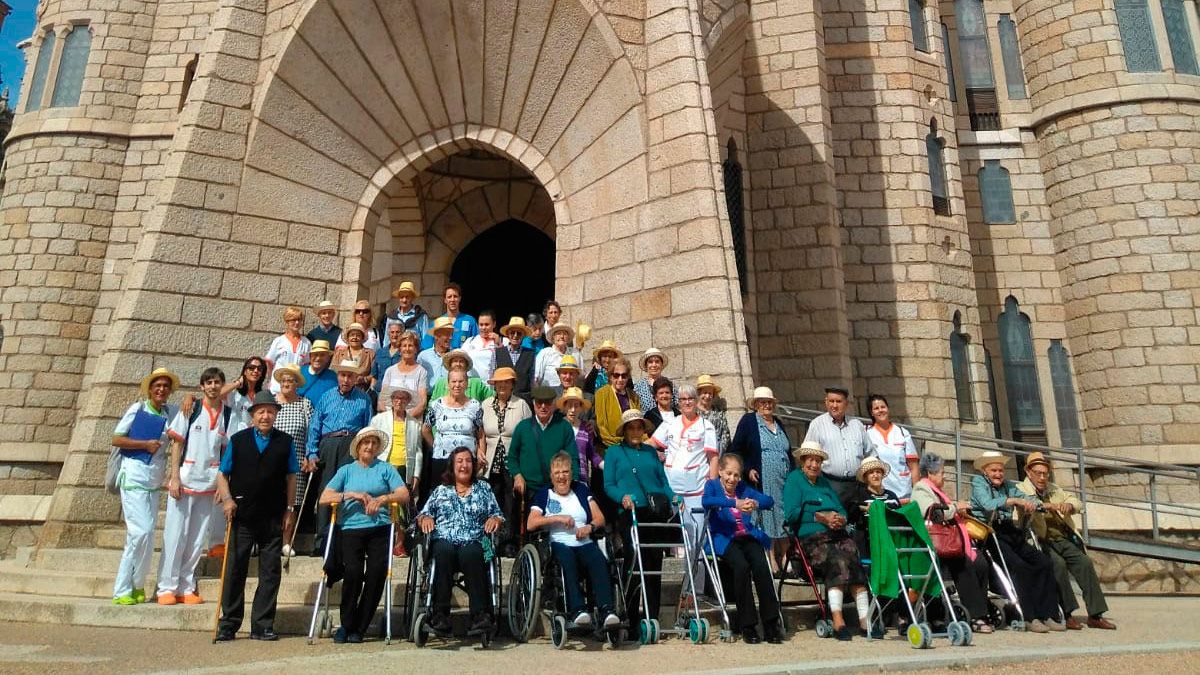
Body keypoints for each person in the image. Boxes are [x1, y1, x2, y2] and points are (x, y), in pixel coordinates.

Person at [214, 391, 299, 642]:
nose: (265, 416)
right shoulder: (238, 440)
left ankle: (262, 625)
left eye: (270, 411)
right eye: (261, 411)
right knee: (235, 569)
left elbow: (292, 476)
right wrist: (227, 499)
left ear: (275, 415)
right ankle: (228, 623)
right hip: (242, 515)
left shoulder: (285, 442)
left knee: (271, 572)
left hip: (273, 516)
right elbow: (222, 474)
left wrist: (290, 509)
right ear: (252, 415)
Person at [318, 427, 410, 643]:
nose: (369, 447)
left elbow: (403, 493)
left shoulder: (386, 469)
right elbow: (324, 497)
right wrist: (351, 495)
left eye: (373, 443)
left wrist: (382, 500)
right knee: (353, 572)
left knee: (377, 572)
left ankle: (360, 626)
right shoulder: (346, 471)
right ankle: (346, 624)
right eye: (365, 443)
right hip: (350, 528)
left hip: (380, 527)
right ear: (358, 447)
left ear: (378, 448)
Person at [157, 367, 231, 605]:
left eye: (217, 382)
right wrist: (174, 477)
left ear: (222, 386)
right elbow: (176, 445)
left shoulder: (227, 415)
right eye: (208, 382)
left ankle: (186, 586)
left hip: (209, 483)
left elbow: (227, 451)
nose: (213, 386)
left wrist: (224, 484)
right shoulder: (191, 409)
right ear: (201, 386)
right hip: (186, 479)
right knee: (175, 534)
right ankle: (166, 587)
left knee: (197, 538)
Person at [1018, 452, 1115, 630]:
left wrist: (1069, 506)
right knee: (1058, 565)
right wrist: (1049, 506)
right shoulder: (1021, 489)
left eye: (1045, 473)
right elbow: (1026, 503)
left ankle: (1096, 614)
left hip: (1060, 537)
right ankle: (1067, 613)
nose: (1042, 477)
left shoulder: (1054, 489)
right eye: (1038, 473)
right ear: (1028, 472)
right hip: (1040, 539)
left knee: (1084, 562)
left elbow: (1076, 502)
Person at [783, 440, 869, 641]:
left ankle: (865, 619)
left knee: (852, 552)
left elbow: (839, 508)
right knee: (837, 559)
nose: (814, 465)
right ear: (803, 461)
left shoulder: (823, 482)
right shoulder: (794, 480)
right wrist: (819, 517)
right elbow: (791, 514)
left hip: (835, 534)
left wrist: (841, 518)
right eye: (810, 460)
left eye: (818, 461)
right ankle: (838, 620)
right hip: (809, 538)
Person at [969, 451, 1064, 634]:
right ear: (985, 471)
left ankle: (1049, 613)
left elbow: (1025, 497)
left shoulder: (1007, 485)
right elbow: (987, 504)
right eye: (994, 470)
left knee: (1043, 562)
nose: (998, 474)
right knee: (1019, 566)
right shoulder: (978, 483)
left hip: (1008, 529)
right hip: (989, 532)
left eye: (1001, 470)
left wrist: (1035, 504)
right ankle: (1029, 616)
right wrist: (1012, 501)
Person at [528, 451, 620, 630]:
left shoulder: (581, 490)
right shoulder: (544, 494)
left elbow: (600, 518)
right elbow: (531, 523)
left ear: (571, 473)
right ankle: (578, 610)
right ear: (551, 476)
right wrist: (557, 518)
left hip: (583, 540)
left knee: (598, 560)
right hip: (558, 542)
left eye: (565, 472)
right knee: (567, 560)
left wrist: (589, 527)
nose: (562, 477)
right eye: (557, 473)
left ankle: (607, 610)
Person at [416, 447, 504, 635]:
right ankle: (440, 615)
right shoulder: (441, 490)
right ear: (452, 466)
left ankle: (480, 615)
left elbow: (497, 514)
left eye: (468, 461)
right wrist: (426, 518)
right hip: (444, 538)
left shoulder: (484, 488)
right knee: (443, 553)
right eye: (460, 461)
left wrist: (494, 519)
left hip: (473, 538)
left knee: (472, 553)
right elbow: (423, 514)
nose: (464, 465)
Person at [111, 368, 180, 606]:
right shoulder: (137, 409)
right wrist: (144, 443)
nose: (161, 390)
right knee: (139, 533)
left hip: (152, 481)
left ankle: (137, 585)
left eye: (165, 386)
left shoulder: (170, 413)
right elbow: (117, 438)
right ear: (150, 389)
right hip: (133, 477)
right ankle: (121, 589)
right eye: (157, 386)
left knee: (147, 535)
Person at [603, 409, 677, 630]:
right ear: (624, 431)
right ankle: (632, 618)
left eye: (639, 427)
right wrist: (622, 497)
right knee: (634, 559)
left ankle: (651, 618)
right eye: (631, 427)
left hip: (654, 512)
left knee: (655, 562)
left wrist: (673, 496)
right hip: (630, 511)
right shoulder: (614, 453)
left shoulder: (650, 452)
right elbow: (609, 485)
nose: (636, 431)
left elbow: (662, 480)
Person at [701, 453, 781, 644]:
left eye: (736, 475)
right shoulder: (712, 486)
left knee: (762, 566)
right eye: (729, 473)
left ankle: (771, 623)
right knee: (742, 567)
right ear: (720, 471)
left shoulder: (743, 488)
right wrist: (734, 502)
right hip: (724, 538)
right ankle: (748, 625)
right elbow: (706, 502)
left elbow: (769, 501)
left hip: (746, 536)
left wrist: (755, 503)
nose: (732, 479)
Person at [910, 452, 994, 634]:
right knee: (965, 564)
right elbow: (934, 514)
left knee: (975, 563)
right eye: (941, 472)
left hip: (946, 543)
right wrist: (956, 507)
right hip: (931, 545)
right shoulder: (921, 489)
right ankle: (975, 617)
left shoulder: (935, 491)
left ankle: (978, 614)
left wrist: (956, 509)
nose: (945, 476)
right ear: (929, 474)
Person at [649, 383, 717, 591]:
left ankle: (694, 591)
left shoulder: (707, 426)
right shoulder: (670, 423)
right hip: (670, 490)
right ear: (678, 402)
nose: (686, 403)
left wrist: (712, 487)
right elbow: (650, 444)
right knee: (660, 534)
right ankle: (655, 588)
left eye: (690, 399)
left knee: (695, 540)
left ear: (696, 402)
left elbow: (713, 457)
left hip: (696, 490)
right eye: (683, 399)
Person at [306, 360, 374, 555]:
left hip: (352, 445)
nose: (346, 379)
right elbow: (315, 426)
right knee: (327, 490)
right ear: (338, 376)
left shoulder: (364, 399)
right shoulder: (326, 397)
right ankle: (321, 542)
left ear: (355, 378)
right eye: (342, 375)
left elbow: (368, 428)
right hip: (328, 444)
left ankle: (345, 541)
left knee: (350, 490)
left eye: (350, 376)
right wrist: (312, 452)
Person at [730, 386, 791, 569]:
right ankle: (770, 557)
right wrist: (748, 468)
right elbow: (737, 449)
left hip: (783, 478)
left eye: (769, 402)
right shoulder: (749, 421)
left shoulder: (778, 423)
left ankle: (787, 557)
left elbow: (787, 450)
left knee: (782, 515)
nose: (767, 405)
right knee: (765, 515)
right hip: (762, 479)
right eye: (762, 402)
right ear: (756, 405)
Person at [481, 367, 531, 555]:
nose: (502, 385)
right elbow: (480, 433)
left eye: (506, 382)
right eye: (499, 382)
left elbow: (527, 435)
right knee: (492, 501)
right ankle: (491, 541)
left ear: (512, 385)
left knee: (511, 503)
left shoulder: (521, 405)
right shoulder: (485, 404)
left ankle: (509, 542)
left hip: (512, 461)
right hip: (490, 461)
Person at [370, 386, 423, 555]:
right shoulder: (379, 419)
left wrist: (416, 474)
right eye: (396, 398)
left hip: (404, 468)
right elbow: (371, 442)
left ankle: (399, 544)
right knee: (381, 504)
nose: (399, 401)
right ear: (392, 401)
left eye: (403, 398)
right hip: (383, 466)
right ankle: (379, 543)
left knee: (401, 509)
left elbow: (418, 451)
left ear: (408, 402)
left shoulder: (414, 424)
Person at [507, 386, 580, 502]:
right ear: (533, 403)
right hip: (528, 491)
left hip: (556, 490)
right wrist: (517, 476)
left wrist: (574, 484)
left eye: (547, 403)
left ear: (554, 404)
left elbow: (573, 458)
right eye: (539, 403)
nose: (543, 406)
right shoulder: (523, 427)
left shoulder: (564, 427)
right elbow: (512, 457)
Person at [802, 387, 875, 502]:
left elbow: (871, 454)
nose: (834, 405)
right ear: (826, 402)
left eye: (839, 401)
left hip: (858, 486)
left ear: (846, 403)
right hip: (830, 484)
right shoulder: (817, 425)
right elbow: (807, 455)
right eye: (831, 401)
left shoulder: (857, 425)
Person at [422, 368, 485, 500]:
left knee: (466, 496)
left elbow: (480, 433)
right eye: (453, 381)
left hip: (466, 461)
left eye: (461, 381)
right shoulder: (436, 405)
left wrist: (481, 454)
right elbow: (426, 429)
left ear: (467, 383)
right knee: (442, 498)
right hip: (441, 460)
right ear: (448, 383)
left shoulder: (475, 406)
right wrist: (436, 446)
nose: (457, 385)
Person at [271, 364, 314, 555]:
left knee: (292, 503)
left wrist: (308, 455)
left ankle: (287, 542)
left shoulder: (305, 404)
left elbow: (312, 432)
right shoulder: (271, 403)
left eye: (290, 380)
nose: (286, 383)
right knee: (271, 500)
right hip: (272, 461)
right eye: (284, 380)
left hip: (296, 460)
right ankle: (269, 540)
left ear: (297, 384)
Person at [864, 394, 918, 501]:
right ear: (871, 413)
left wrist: (916, 494)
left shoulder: (902, 432)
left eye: (883, 407)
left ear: (888, 409)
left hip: (904, 494)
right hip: (880, 494)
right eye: (876, 408)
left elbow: (914, 466)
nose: (880, 410)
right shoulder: (866, 433)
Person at [843, 457, 900, 555]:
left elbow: (900, 516)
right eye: (871, 473)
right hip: (868, 539)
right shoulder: (859, 496)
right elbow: (852, 515)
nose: (875, 475)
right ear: (865, 478)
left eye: (878, 472)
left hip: (892, 538)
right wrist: (863, 508)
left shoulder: (892, 496)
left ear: (882, 475)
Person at [594, 356, 642, 448]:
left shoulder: (633, 396)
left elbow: (639, 422)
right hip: (610, 447)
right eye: (616, 375)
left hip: (633, 444)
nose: (620, 379)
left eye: (624, 376)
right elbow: (601, 427)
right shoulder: (601, 394)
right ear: (610, 376)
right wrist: (620, 442)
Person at [377, 331, 428, 417]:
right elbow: (382, 400)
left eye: (410, 346)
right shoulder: (390, 371)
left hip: (412, 419)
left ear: (416, 349)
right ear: (399, 349)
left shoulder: (421, 372)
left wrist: (406, 418)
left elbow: (422, 402)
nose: (407, 349)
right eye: (404, 346)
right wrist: (392, 418)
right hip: (390, 419)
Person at [265, 306, 312, 394]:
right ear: (287, 321)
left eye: (299, 320)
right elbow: (269, 363)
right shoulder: (279, 341)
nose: (297, 322)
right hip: (277, 388)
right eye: (293, 320)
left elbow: (306, 367)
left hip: (296, 389)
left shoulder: (306, 343)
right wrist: (271, 379)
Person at [560, 387, 601, 485]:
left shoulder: (586, 428)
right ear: (564, 407)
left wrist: (608, 466)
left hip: (581, 480)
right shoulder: (557, 427)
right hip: (560, 480)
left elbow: (592, 455)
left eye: (576, 406)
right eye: (569, 406)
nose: (573, 410)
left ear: (581, 408)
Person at [494, 316, 537, 403]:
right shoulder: (497, 353)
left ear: (523, 335)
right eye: (512, 332)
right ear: (507, 334)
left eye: (519, 333)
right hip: (503, 400)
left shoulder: (530, 354)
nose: (515, 335)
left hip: (525, 400)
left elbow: (533, 380)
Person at [421, 283, 477, 350]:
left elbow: (478, 344)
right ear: (445, 300)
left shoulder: (470, 321)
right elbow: (426, 347)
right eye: (449, 297)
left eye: (455, 296)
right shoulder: (437, 322)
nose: (452, 300)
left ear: (460, 298)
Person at [222, 356, 267, 435]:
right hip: (234, 438)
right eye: (252, 368)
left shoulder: (262, 395)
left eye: (259, 369)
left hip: (254, 438)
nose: (256, 371)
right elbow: (217, 393)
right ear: (245, 371)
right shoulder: (234, 393)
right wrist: (238, 383)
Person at [380, 281, 431, 349]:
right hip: (395, 355)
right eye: (402, 297)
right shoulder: (391, 317)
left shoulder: (421, 316)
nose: (404, 300)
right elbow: (387, 340)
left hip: (414, 355)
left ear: (412, 298)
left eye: (407, 297)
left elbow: (426, 340)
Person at [428, 350, 493, 402]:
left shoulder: (476, 383)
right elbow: (432, 403)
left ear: (466, 365)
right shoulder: (441, 382)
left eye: (461, 361)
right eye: (455, 361)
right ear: (450, 364)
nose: (458, 364)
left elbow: (492, 397)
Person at [533, 322, 581, 388]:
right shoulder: (545, 353)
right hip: (550, 395)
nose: (562, 336)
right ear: (553, 337)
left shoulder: (575, 353)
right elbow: (536, 378)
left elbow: (581, 376)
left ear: (568, 337)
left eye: (565, 334)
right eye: (558, 334)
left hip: (571, 394)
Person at [332, 322, 376, 388]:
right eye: (352, 335)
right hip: (341, 389)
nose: (355, 337)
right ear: (348, 338)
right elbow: (332, 371)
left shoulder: (370, 354)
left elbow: (375, 374)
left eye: (358, 335)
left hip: (362, 390)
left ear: (362, 338)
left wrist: (364, 379)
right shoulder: (339, 353)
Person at [462, 310, 501, 382]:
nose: (483, 328)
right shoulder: (470, 341)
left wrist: (498, 344)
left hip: (492, 387)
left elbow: (504, 364)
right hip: (473, 386)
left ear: (494, 324)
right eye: (481, 324)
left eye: (487, 324)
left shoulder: (503, 341)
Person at [695, 374, 731, 455]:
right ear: (699, 393)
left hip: (717, 452)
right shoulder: (693, 412)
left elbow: (725, 434)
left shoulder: (718, 412)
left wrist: (720, 450)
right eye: (704, 393)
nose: (707, 396)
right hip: (697, 453)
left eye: (710, 393)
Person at [633, 348, 675, 413]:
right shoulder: (638, 387)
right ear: (646, 365)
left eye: (657, 362)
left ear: (661, 364)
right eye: (650, 362)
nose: (654, 365)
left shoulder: (670, 385)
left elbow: (677, 406)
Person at [417, 316, 455, 384]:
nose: (451, 337)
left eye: (451, 334)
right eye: (447, 334)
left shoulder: (455, 356)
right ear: (436, 336)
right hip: (429, 394)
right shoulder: (423, 356)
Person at [298, 340, 338, 404]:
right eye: (315, 354)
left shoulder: (333, 377)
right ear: (310, 356)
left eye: (322, 355)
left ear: (328, 358)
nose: (318, 358)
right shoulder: (300, 372)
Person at [371, 323, 405, 396]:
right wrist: (372, 390)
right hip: (379, 393)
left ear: (402, 334)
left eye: (397, 332)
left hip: (397, 395)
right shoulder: (380, 352)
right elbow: (374, 376)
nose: (394, 335)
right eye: (392, 332)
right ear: (388, 334)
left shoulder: (405, 353)